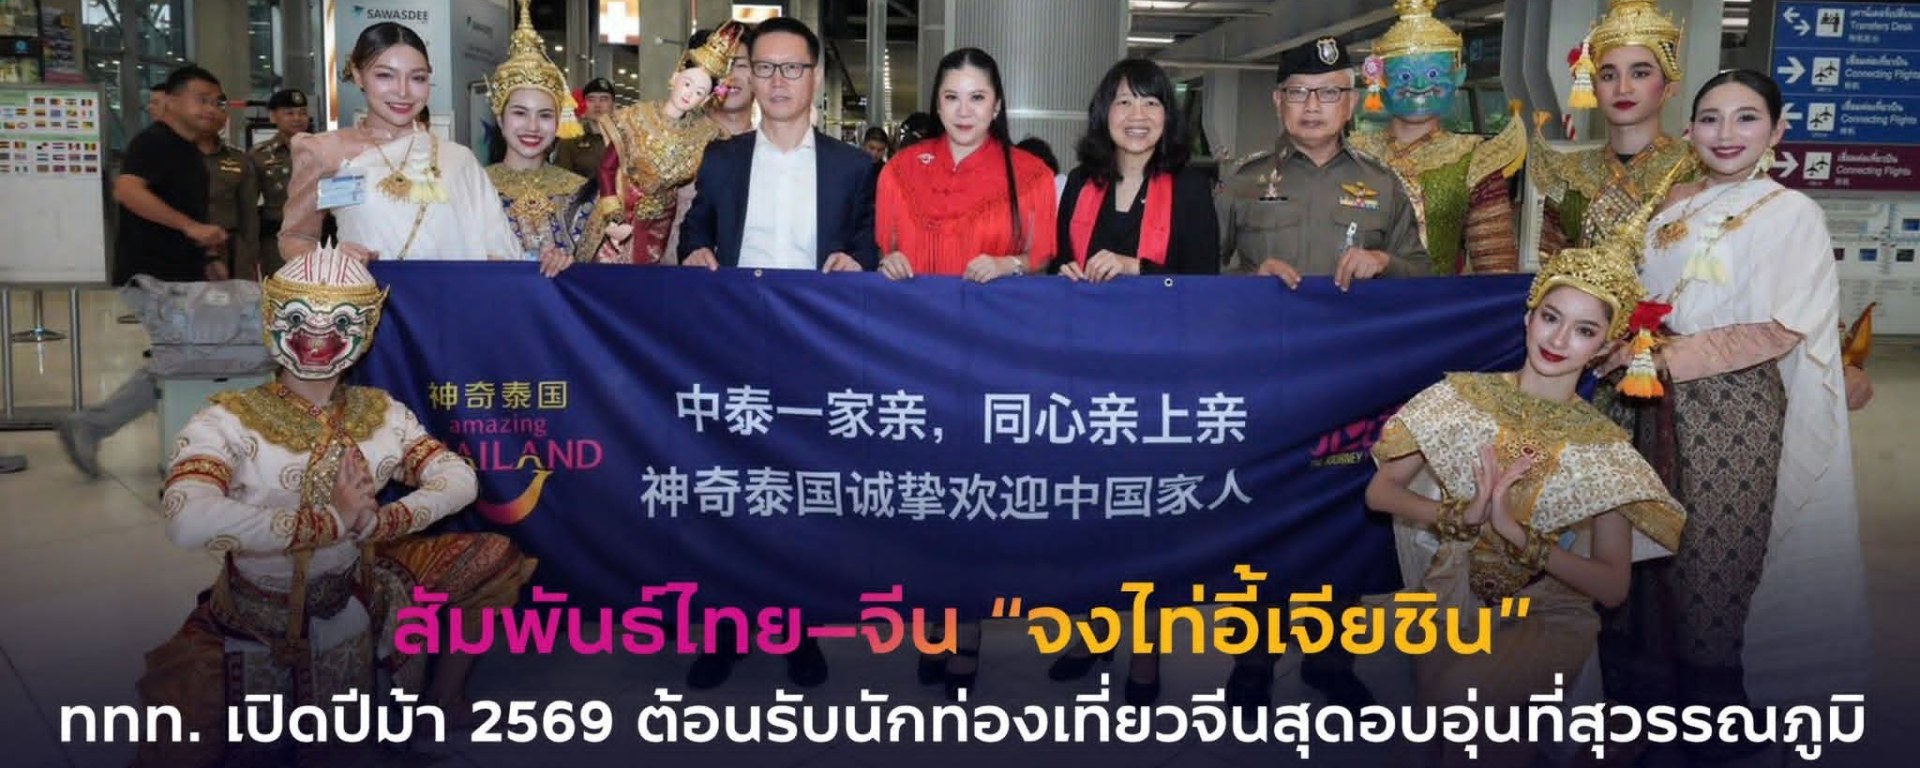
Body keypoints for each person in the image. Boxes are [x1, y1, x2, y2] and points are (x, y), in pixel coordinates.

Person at [130, 246, 537, 767]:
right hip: (253, 617)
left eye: (341, 320)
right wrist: (331, 522)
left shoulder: (381, 413)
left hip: (355, 592)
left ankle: (443, 702)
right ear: (272, 318)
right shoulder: (229, 419)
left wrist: (386, 519)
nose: (318, 333)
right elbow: (187, 520)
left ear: (366, 329)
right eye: (300, 316)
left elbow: (459, 478)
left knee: (493, 558)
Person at [1596, 70, 1869, 761]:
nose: (1725, 133)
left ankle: (1714, 718)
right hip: (1641, 399)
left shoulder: (1789, 212)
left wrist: (1669, 357)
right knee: (1637, 547)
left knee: (1715, 556)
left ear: (1777, 131)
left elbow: (1782, 326)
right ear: (1689, 130)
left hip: (1732, 411)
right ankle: (1643, 706)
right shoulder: (1672, 203)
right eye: (1711, 118)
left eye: (1746, 118)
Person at [1366, 185, 1685, 768]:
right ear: (1528, 317)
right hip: (1451, 597)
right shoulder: (1460, 397)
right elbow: (1380, 491)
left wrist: (1519, 537)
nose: (1559, 340)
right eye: (1551, 318)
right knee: (1447, 737)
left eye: (1584, 330)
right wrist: (1457, 516)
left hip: (1546, 612)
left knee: (1469, 719)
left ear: (1607, 346)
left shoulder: (1604, 448)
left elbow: (1612, 586)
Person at [60, 65, 231, 479]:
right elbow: (128, 190)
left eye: (217, 101)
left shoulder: (188, 151)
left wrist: (207, 258)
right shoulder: (154, 142)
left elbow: (186, 210)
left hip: (179, 273)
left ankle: (166, 437)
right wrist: (190, 228)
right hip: (151, 274)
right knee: (180, 357)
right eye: (201, 99)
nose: (211, 109)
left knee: (183, 356)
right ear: (170, 101)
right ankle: (94, 425)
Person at [279, 23, 521, 264]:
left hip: (452, 289)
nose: (403, 92)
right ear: (358, 75)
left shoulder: (458, 160)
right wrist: (330, 260)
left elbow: (499, 253)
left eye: (417, 78)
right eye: (385, 75)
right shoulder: (325, 151)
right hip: (366, 288)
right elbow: (295, 237)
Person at [1221, 36, 1429, 290]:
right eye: (1297, 93)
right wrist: (1252, 281)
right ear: (1278, 102)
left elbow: (1422, 273)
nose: (1312, 107)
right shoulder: (1240, 181)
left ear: (1351, 103)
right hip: (1266, 315)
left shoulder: (1383, 183)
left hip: (1353, 316)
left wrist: (1383, 262)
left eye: (1329, 93)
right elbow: (1197, 274)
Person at [676, 16, 877, 274]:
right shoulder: (722, 158)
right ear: (752, 78)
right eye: (765, 67)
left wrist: (856, 261)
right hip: (739, 297)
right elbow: (695, 229)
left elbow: (866, 244)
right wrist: (696, 250)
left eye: (791, 68)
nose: (777, 81)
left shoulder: (852, 166)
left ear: (815, 78)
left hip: (814, 299)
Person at [1349, 0, 1523, 274]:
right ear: (1378, 80)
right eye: (1404, 75)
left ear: (1458, 76)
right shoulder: (1352, 154)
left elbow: (1495, 269)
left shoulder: (1474, 159)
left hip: (1439, 298)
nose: (1419, 85)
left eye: (1433, 73)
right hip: (1356, 297)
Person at [874, 47, 1058, 285]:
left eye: (977, 97)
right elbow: (884, 251)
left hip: (991, 307)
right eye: (951, 97)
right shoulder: (900, 169)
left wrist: (1006, 264)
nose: (963, 111)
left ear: (996, 105)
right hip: (913, 307)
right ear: (938, 105)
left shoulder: (1033, 176)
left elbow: (1040, 257)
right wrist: (889, 262)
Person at [1530, 0, 1693, 257]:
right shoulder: (1569, 173)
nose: (1622, 88)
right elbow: (1551, 265)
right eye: (1608, 76)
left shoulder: (1695, 169)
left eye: (1640, 74)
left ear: (1669, 84)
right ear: (1592, 86)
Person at [583, 22, 746, 265]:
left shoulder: (707, 134)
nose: (689, 94)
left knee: (650, 279)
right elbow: (607, 168)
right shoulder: (635, 117)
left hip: (660, 224)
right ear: (676, 76)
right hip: (620, 210)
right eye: (688, 84)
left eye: (699, 92)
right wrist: (613, 216)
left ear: (707, 99)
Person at [1052, 59, 1219, 282]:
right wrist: (1064, 273)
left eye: (1151, 103)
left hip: (1158, 307)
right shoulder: (1080, 181)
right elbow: (1059, 261)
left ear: (1167, 116)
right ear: (1105, 111)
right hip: (1086, 306)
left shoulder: (1190, 188)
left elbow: (1204, 283)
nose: (1138, 115)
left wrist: (1135, 267)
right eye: (1124, 102)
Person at [485, 0, 590, 274]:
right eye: (520, 113)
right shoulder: (475, 188)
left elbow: (602, 271)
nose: (532, 127)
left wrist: (571, 266)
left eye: (544, 115)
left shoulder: (581, 192)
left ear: (558, 122)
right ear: (500, 119)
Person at [665, 23, 758, 262]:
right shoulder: (669, 140)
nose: (729, 76)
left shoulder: (769, 151)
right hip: (671, 275)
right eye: (720, 64)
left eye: (740, 65)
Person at [198, 95, 262, 279]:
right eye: (205, 106)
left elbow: (249, 214)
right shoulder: (173, 155)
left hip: (230, 248)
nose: (212, 113)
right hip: (185, 249)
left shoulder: (239, 159)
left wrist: (252, 256)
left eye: (219, 107)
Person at [251, 88, 310, 275]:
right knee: (279, 288)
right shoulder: (259, 155)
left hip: (319, 237)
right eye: (289, 113)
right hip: (276, 240)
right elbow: (249, 204)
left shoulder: (324, 149)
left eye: (302, 113)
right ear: (273, 116)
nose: (297, 118)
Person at [555, 77, 615, 179]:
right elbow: (561, 180)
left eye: (604, 99)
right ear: (583, 104)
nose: (597, 105)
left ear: (613, 105)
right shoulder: (570, 141)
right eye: (591, 99)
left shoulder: (628, 139)